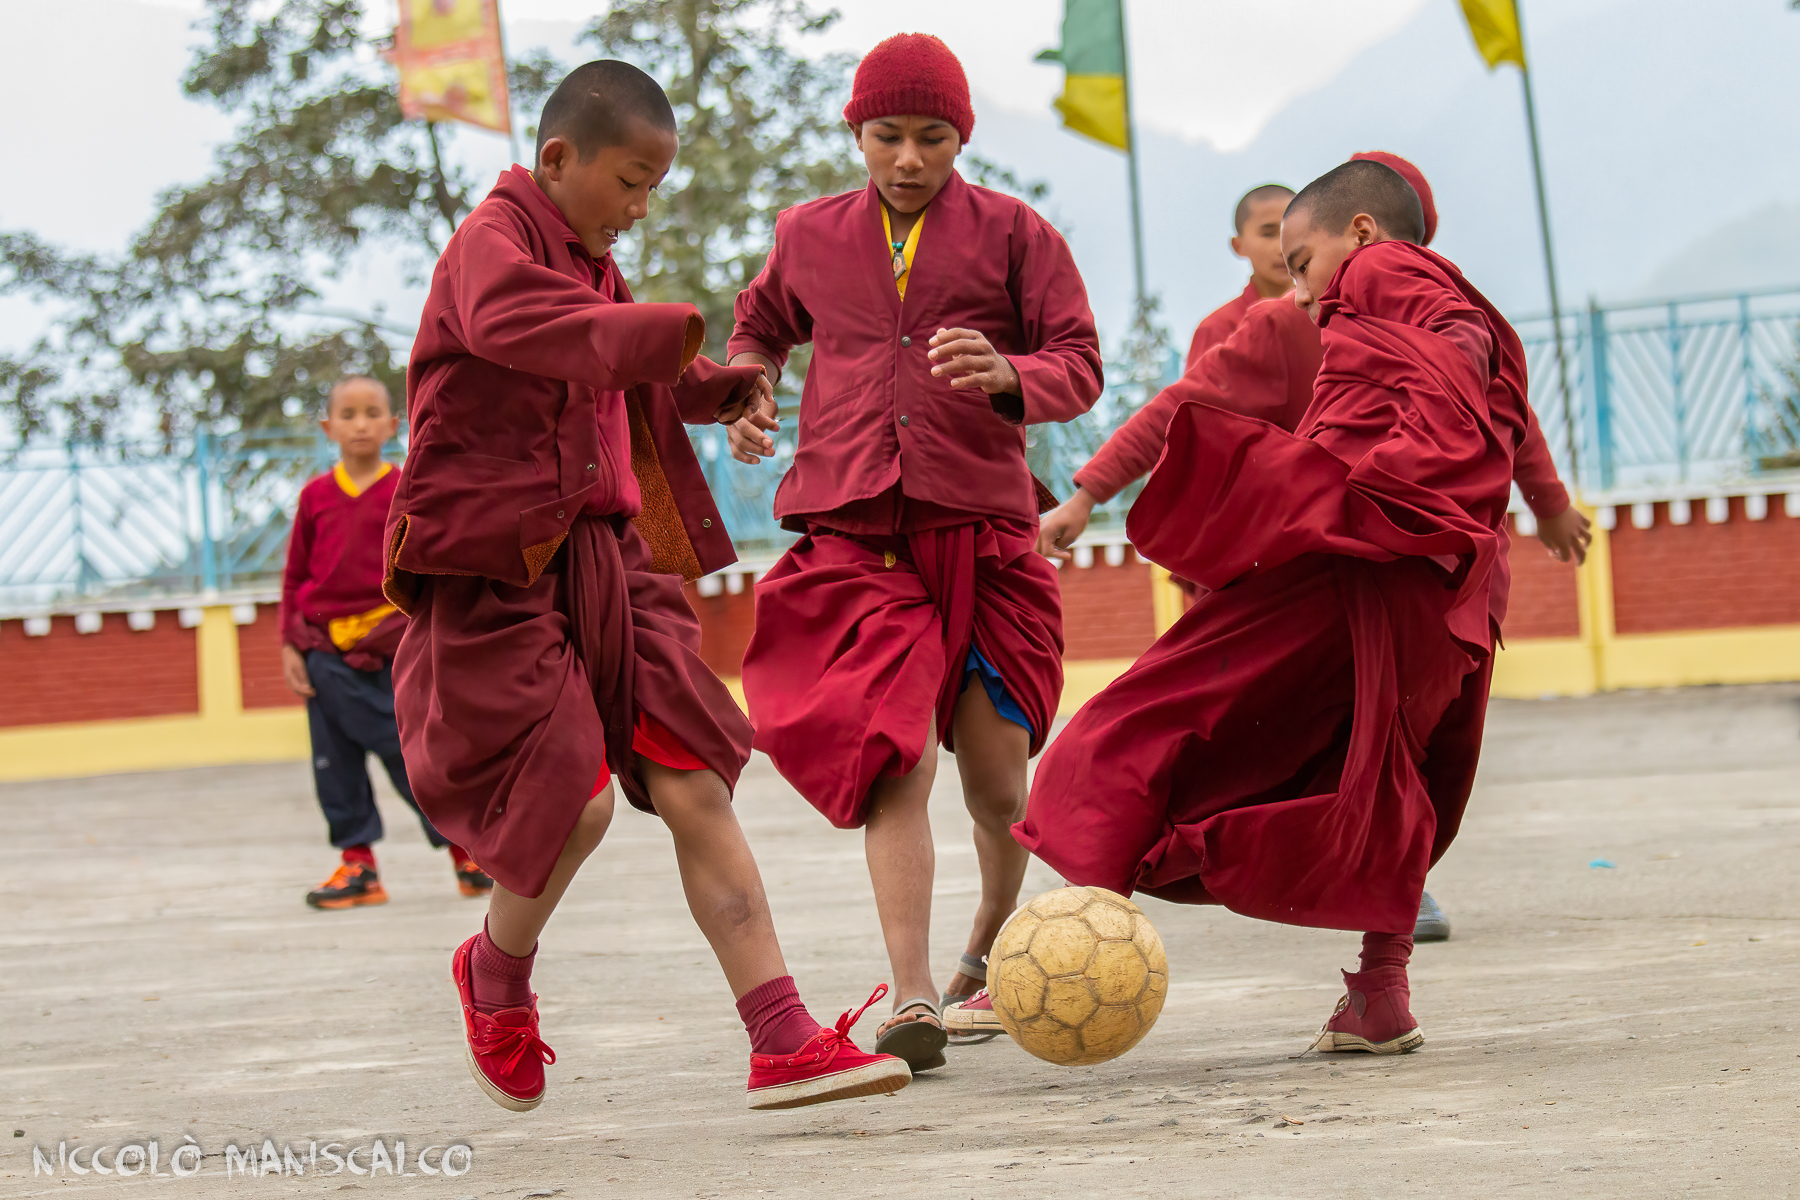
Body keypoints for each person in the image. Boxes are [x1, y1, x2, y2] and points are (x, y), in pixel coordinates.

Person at [383, 60, 910, 1114]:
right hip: (498, 563)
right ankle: (496, 966)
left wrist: (721, 387)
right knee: (570, 803)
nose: (637, 207)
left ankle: (781, 1034)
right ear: (557, 159)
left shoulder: (588, 261)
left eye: (652, 188)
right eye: (630, 181)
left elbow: (635, 374)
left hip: (610, 559)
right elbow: (517, 328)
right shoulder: (491, 247)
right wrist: (666, 332)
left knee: (693, 777)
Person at [1017, 158, 1540, 1056]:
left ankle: (1069, 938)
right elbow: (1484, 399)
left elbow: (1444, 368)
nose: (1298, 288)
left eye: (1302, 261)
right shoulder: (1403, 305)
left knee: (1133, 724)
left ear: (1363, 235)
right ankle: (1381, 994)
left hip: (1355, 557)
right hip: (1443, 581)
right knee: (1386, 773)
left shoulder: (1386, 276)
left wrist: (1371, 480)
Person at [723, 33, 1103, 1071]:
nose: (905, 158)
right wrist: (746, 390)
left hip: (982, 530)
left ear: (960, 137)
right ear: (856, 132)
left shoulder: (1016, 234)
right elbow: (756, 329)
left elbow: (1080, 360)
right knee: (896, 757)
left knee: (994, 785)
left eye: (931, 137)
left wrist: (1012, 372)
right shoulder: (807, 234)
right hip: (859, 536)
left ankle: (985, 942)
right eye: (885, 135)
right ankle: (914, 993)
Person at [280, 376, 490, 909]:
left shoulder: (405, 490)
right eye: (347, 414)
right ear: (328, 427)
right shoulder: (315, 497)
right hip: (325, 649)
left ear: (394, 425)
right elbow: (294, 575)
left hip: (397, 643)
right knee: (335, 757)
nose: (360, 424)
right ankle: (358, 865)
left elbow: (427, 564)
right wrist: (290, 643)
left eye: (372, 412)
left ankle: (464, 853)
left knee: (413, 750)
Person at [1186, 183, 1296, 369]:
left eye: (1292, 231)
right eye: (1268, 234)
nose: (1282, 248)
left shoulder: (1327, 317)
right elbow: (1194, 397)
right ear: (1238, 246)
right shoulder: (1218, 329)